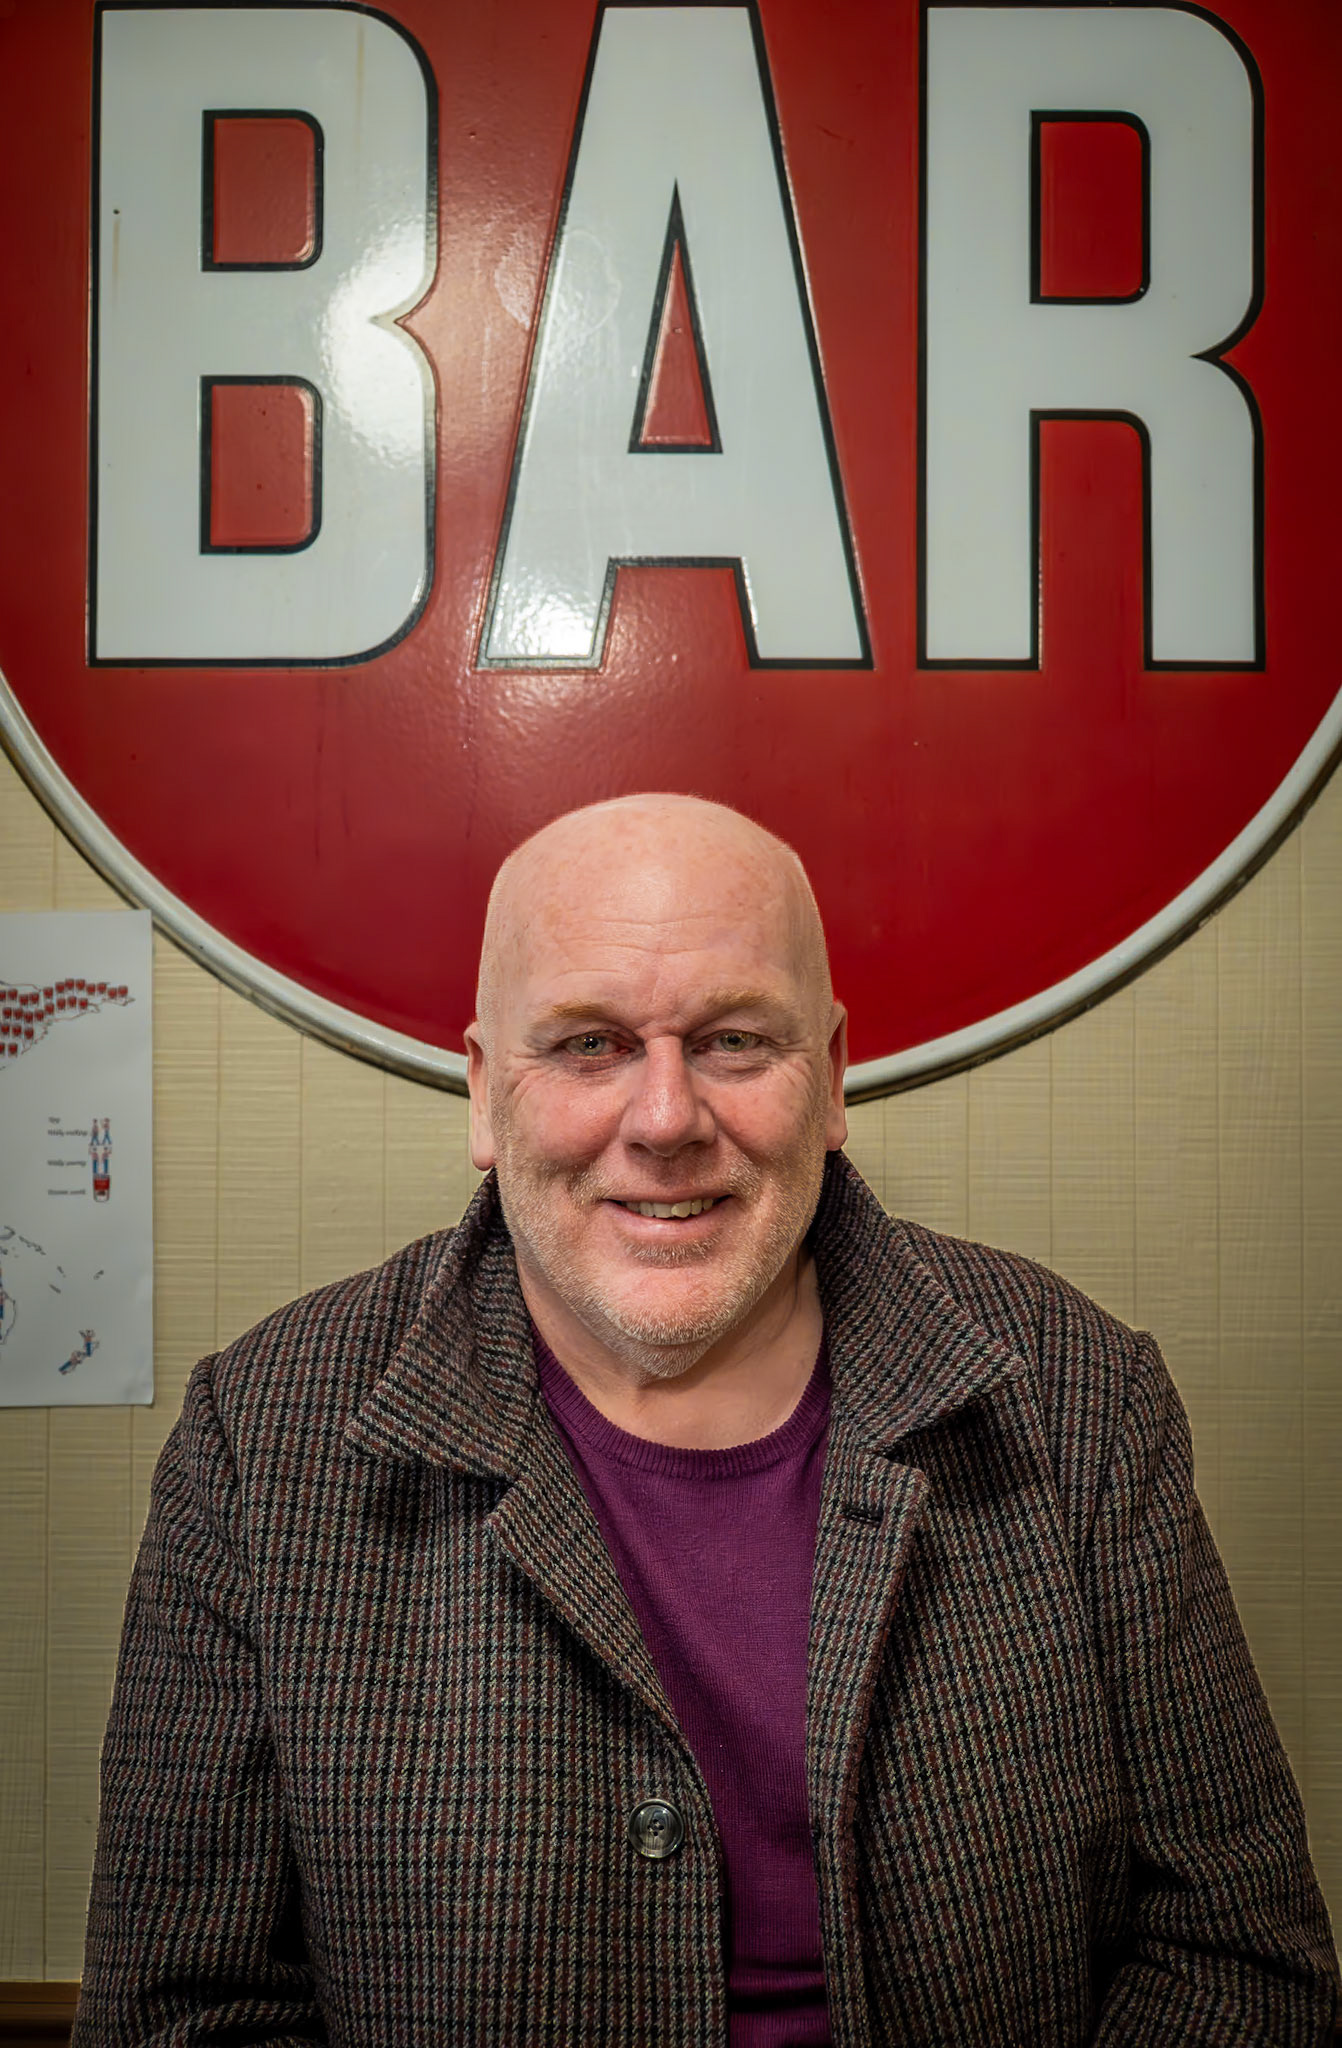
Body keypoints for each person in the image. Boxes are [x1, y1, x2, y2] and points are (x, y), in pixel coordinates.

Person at [75, 794, 1339, 2046]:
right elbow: (184, 2011)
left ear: (833, 1077)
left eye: (735, 1040)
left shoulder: (1074, 1396)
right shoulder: (261, 1441)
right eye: (587, 1044)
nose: (667, 1118)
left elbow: (1233, 1955)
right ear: (481, 1092)